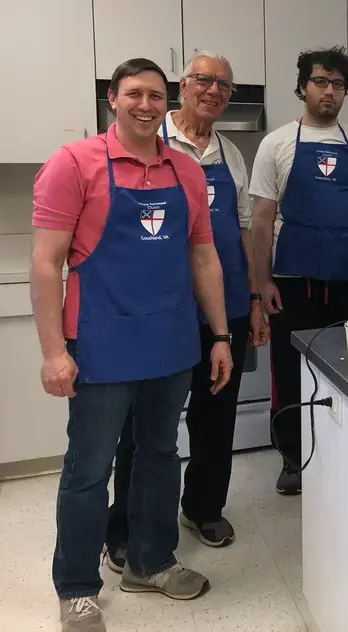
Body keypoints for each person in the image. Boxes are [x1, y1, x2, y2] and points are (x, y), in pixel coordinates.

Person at [31, 58, 232, 632]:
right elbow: (45, 263)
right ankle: (76, 586)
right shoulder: (75, 162)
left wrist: (220, 335)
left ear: (167, 103)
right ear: (113, 100)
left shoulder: (186, 170)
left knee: (160, 456)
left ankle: (150, 561)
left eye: (155, 96)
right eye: (134, 94)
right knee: (90, 468)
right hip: (100, 341)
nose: (145, 105)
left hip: (171, 341)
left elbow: (202, 256)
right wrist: (54, 352)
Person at [103, 52, 271, 572]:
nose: (213, 90)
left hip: (226, 304)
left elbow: (244, 230)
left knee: (216, 416)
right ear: (182, 84)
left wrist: (254, 299)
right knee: (143, 423)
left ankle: (203, 507)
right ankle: (125, 526)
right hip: (165, 306)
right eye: (203, 79)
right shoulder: (150, 141)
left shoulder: (232, 154)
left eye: (223, 83)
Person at [251, 47, 348, 495]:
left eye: (338, 84)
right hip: (292, 281)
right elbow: (262, 219)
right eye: (321, 82)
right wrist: (262, 281)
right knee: (289, 373)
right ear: (303, 87)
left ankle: (342, 453)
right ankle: (292, 459)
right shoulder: (277, 143)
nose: (329, 91)